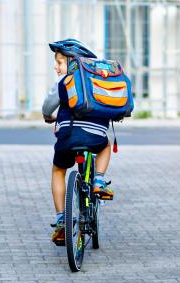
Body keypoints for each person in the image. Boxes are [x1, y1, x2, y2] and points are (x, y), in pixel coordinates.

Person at [42, 38, 114, 244]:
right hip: (96, 134)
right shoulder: (98, 79)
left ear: (73, 62)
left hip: (68, 135)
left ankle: (62, 221)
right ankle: (99, 180)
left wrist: (48, 117)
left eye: (60, 62)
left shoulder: (65, 81)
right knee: (105, 145)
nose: (56, 66)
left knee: (58, 170)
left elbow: (48, 106)